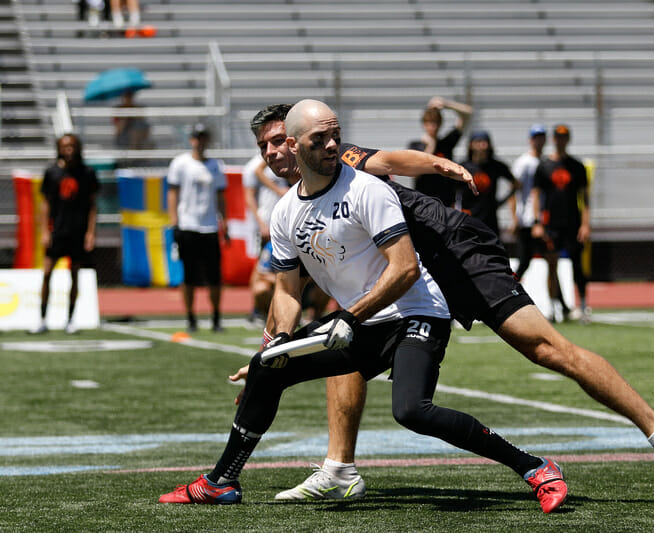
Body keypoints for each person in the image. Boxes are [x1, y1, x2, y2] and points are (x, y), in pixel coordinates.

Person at [229, 104, 654, 506]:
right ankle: (339, 467)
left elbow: (392, 158)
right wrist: (271, 357)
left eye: (279, 141)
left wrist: (438, 164)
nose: (274, 153)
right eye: (264, 146)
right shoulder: (295, 205)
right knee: (347, 334)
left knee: (544, 348)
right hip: (406, 275)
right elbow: (286, 294)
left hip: (451, 250)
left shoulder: (341, 164)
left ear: (299, 142)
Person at [159, 99, 570, 514]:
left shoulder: (367, 189)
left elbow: (406, 269)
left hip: (415, 313)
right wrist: (277, 346)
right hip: (360, 322)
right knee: (265, 369)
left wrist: (351, 316)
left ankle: (536, 468)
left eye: (335, 136)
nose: (332, 145)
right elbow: (286, 294)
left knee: (412, 411)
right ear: (296, 145)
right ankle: (221, 482)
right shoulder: (285, 212)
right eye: (319, 139)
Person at [30, 134, 99, 335]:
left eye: (72, 146)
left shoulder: (86, 173)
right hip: (56, 231)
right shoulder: (52, 172)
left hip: (77, 231)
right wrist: (44, 230)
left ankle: (70, 319)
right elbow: (45, 204)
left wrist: (90, 232)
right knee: (47, 273)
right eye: (64, 146)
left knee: (74, 274)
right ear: (59, 148)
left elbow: (92, 205)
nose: (68, 149)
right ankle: (42, 319)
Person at [167, 123, 228, 333]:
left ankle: (216, 317)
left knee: (214, 277)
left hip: (209, 226)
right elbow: (173, 193)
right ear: (191, 139)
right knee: (189, 276)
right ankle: (191, 317)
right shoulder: (180, 163)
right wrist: (174, 221)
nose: (199, 141)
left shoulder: (215, 165)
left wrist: (224, 222)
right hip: (188, 225)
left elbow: (220, 196)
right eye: (196, 137)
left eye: (203, 137)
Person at [531, 124, 591, 320]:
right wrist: (537, 222)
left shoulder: (577, 166)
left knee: (577, 265)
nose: (560, 140)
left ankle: (582, 306)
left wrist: (585, 224)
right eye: (558, 137)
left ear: (568, 139)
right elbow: (536, 195)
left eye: (564, 137)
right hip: (551, 224)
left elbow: (585, 197)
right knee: (552, 265)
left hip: (572, 223)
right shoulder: (544, 166)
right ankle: (554, 307)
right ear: (553, 139)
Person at [242, 154, 290, 324]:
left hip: (283, 221)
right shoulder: (255, 165)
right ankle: (257, 308)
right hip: (267, 221)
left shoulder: (285, 161)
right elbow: (250, 195)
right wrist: (260, 222)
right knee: (261, 267)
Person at [407, 96, 473, 207]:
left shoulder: (446, 144)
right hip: (423, 203)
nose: (433, 127)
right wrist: (430, 146)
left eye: (436, 123)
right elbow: (415, 173)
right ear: (424, 124)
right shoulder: (416, 146)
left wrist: (446, 104)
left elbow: (468, 113)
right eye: (430, 123)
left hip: (445, 203)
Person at [455, 129, 518, 236]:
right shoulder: (463, 167)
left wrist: (500, 202)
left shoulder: (496, 166)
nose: (483, 145)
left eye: (485, 142)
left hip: (490, 222)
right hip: (468, 221)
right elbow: (452, 192)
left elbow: (516, 183)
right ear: (471, 145)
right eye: (479, 142)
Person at [511, 124, 547, 280]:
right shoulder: (524, 162)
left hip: (543, 218)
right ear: (530, 140)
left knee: (552, 260)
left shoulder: (545, 161)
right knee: (524, 260)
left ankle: (559, 302)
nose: (538, 141)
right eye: (535, 137)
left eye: (541, 137)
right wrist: (514, 218)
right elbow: (513, 191)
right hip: (527, 219)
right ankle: (511, 290)